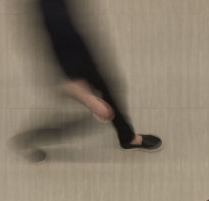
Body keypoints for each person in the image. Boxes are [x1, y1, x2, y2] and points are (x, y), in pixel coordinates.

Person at [13, 0, 162, 163]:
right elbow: (61, 50)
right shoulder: (51, 11)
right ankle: (27, 140)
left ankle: (127, 137)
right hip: (69, 67)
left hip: (79, 52)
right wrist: (89, 100)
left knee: (109, 88)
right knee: (84, 118)